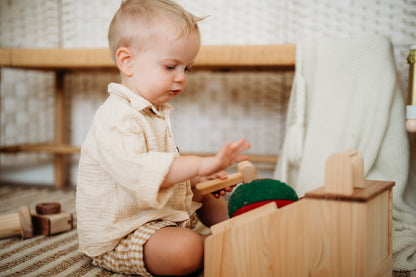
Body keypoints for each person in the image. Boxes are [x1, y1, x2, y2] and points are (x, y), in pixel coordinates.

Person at [76, 0, 251, 276]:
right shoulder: (116, 117)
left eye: (187, 68)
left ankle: (244, 226)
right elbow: (138, 171)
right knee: (186, 251)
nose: (181, 78)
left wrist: (195, 180)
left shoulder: (153, 112)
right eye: (171, 67)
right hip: (123, 232)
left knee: (205, 197)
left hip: (156, 215)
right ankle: (220, 245)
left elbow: (162, 170)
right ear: (127, 61)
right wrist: (198, 165)